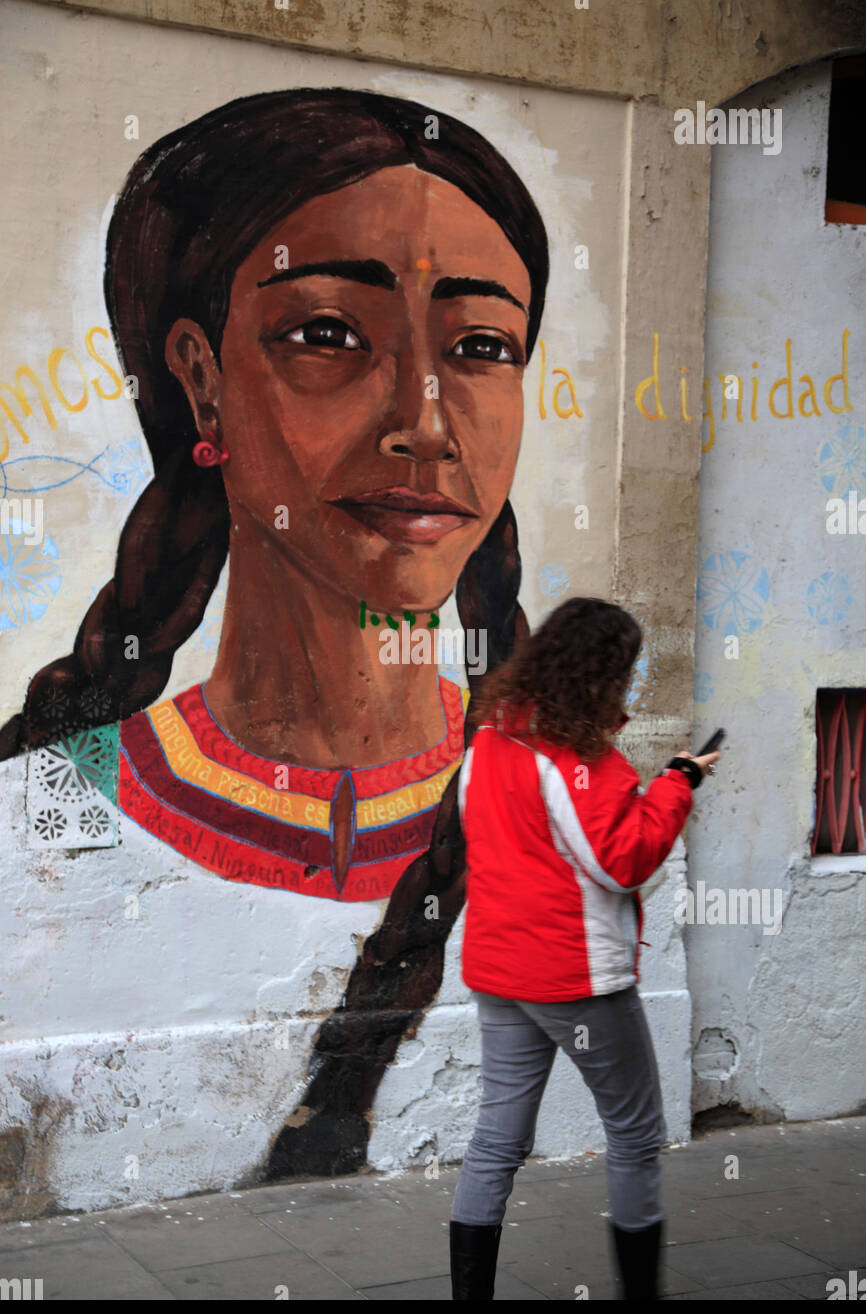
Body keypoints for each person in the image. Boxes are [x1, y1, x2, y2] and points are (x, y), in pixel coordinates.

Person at [0, 89, 550, 1176]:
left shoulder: (553, 806)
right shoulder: (32, 823)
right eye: (328, 334)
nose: (425, 424)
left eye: (480, 344)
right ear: (201, 382)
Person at [451, 597, 722, 1299]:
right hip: (571, 976)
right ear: (604, 674)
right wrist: (678, 783)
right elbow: (622, 859)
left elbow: (487, 835)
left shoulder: (490, 738)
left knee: (496, 1141)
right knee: (635, 1134)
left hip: (499, 966)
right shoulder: (574, 758)